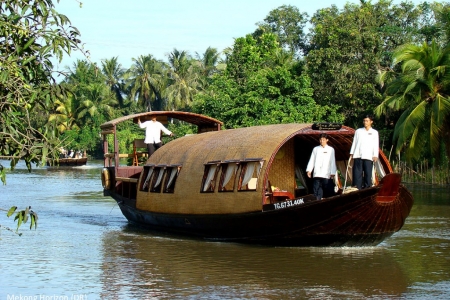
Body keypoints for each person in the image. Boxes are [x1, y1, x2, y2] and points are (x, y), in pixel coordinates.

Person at [350, 115, 379, 190]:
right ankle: (357, 188)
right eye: (364, 121)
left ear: (371, 122)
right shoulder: (358, 131)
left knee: (367, 174)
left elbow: (376, 144)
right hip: (358, 155)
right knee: (357, 174)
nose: (365, 122)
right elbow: (354, 142)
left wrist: (375, 155)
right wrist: (352, 153)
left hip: (368, 156)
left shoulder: (374, 132)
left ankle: (367, 188)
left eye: (367, 121)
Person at [306, 133, 337, 200]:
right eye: (320, 140)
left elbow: (332, 161)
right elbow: (312, 160)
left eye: (323, 140)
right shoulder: (315, 149)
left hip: (326, 173)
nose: (322, 141)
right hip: (317, 173)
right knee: (316, 189)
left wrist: (332, 172)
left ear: (327, 140)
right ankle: (317, 201)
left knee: (327, 188)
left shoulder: (331, 149)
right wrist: (309, 170)